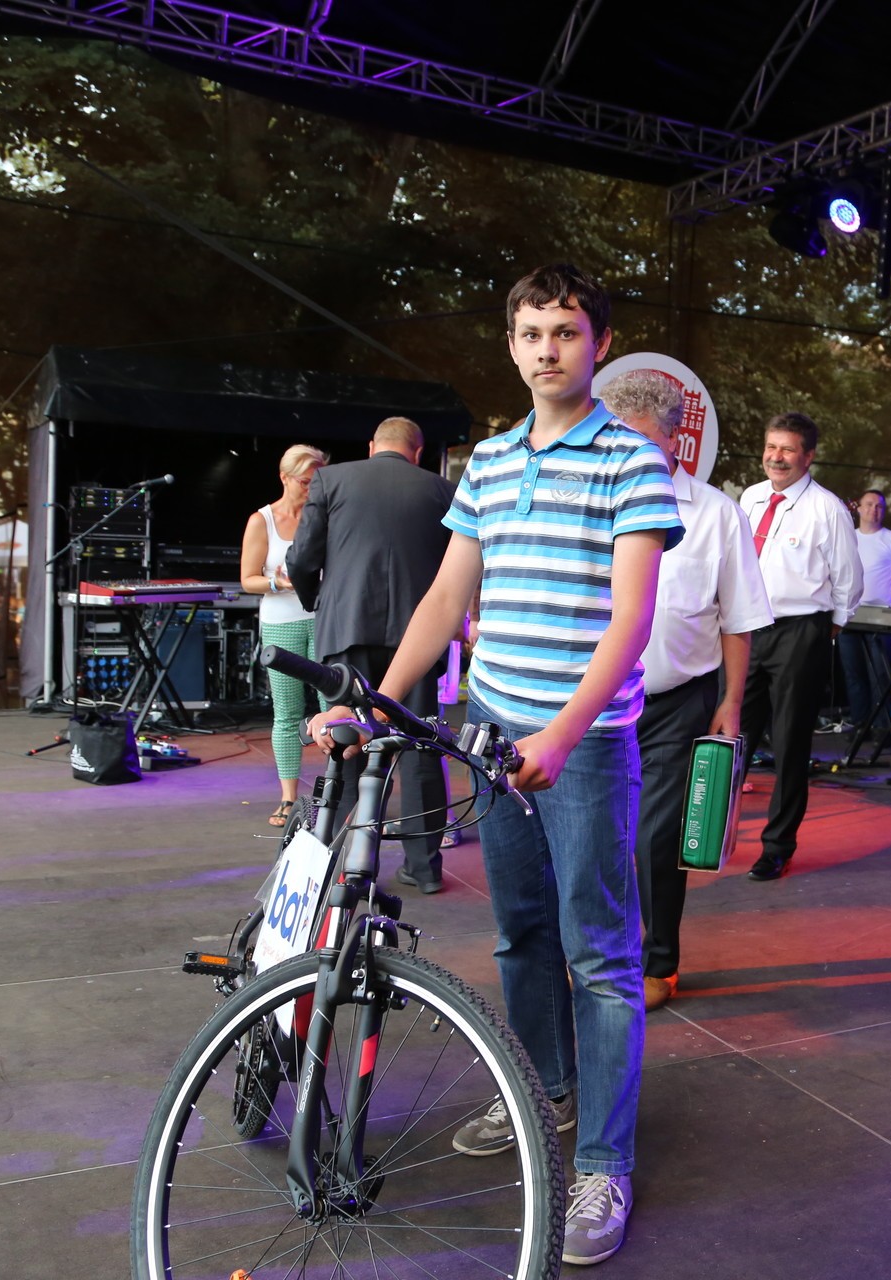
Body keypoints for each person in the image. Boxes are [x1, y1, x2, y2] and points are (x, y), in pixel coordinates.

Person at [310, 264, 681, 1265]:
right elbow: (445, 600)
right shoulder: (490, 462)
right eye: (531, 332)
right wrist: (377, 700)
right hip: (490, 732)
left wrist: (559, 735)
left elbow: (631, 619)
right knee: (520, 936)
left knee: (600, 954)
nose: (547, 348)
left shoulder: (632, 460)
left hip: (583, 746)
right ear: (511, 344)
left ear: (599, 344)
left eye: (566, 331)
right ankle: (546, 1093)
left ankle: (603, 1163)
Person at [600, 370, 772, 1012]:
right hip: (593, 700)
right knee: (592, 832)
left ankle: (659, 963)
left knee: (657, 836)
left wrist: (730, 701)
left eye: (645, 441)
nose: (630, 453)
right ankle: (595, 952)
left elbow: (738, 618)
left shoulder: (717, 513)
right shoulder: (593, 499)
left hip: (678, 699)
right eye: (620, 439)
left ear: (677, 441)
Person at [286, 416, 454, 892]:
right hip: (417, 635)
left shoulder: (331, 480)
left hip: (348, 627)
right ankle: (425, 868)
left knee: (346, 742)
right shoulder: (441, 490)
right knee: (420, 747)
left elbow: (301, 558)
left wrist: (317, 602)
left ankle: (346, 866)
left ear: (371, 445)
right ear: (417, 451)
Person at [738, 412, 863, 882]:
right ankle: (709, 835)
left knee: (790, 743)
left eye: (787, 449)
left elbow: (849, 581)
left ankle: (777, 847)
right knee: (731, 736)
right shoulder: (750, 497)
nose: (776, 457)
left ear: (808, 456)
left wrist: (828, 629)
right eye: (771, 447)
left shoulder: (827, 509)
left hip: (800, 630)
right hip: (746, 628)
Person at [239, 442, 328, 826]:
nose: (311, 489)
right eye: (305, 482)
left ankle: (337, 793)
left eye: (316, 481)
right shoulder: (262, 520)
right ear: (284, 477)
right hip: (281, 622)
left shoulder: (324, 515)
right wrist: (278, 582)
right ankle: (288, 798)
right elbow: (248, 579)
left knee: (333, 708)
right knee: (288, 712)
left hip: (323, 619)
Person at [838, 490, 891, 734]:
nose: (874, 510)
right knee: (853, 672)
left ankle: (881, 727)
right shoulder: (848, 538)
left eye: (879, 506)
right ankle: (860, 724)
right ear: (858, 508)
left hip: (881, 616)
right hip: (849, 615)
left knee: (879, 673)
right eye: (869, 504)